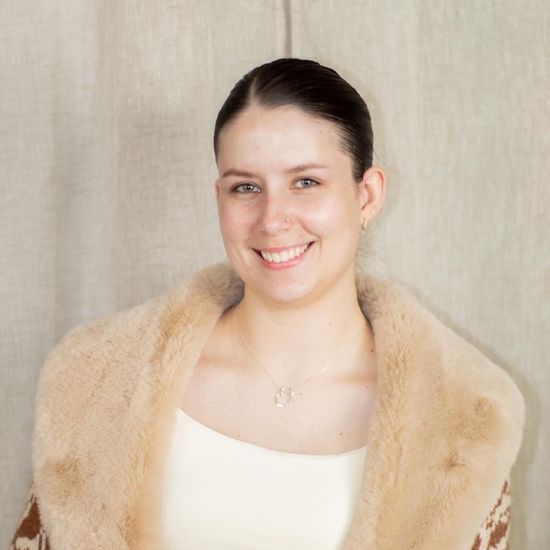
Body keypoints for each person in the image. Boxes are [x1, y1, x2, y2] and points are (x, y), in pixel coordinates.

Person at [11, 58, 524, 550]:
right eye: (246, 187)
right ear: (219, 201)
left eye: (306, 181)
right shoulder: (100, 378)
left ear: (366, 195)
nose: (272, 219)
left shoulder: (464, 417)